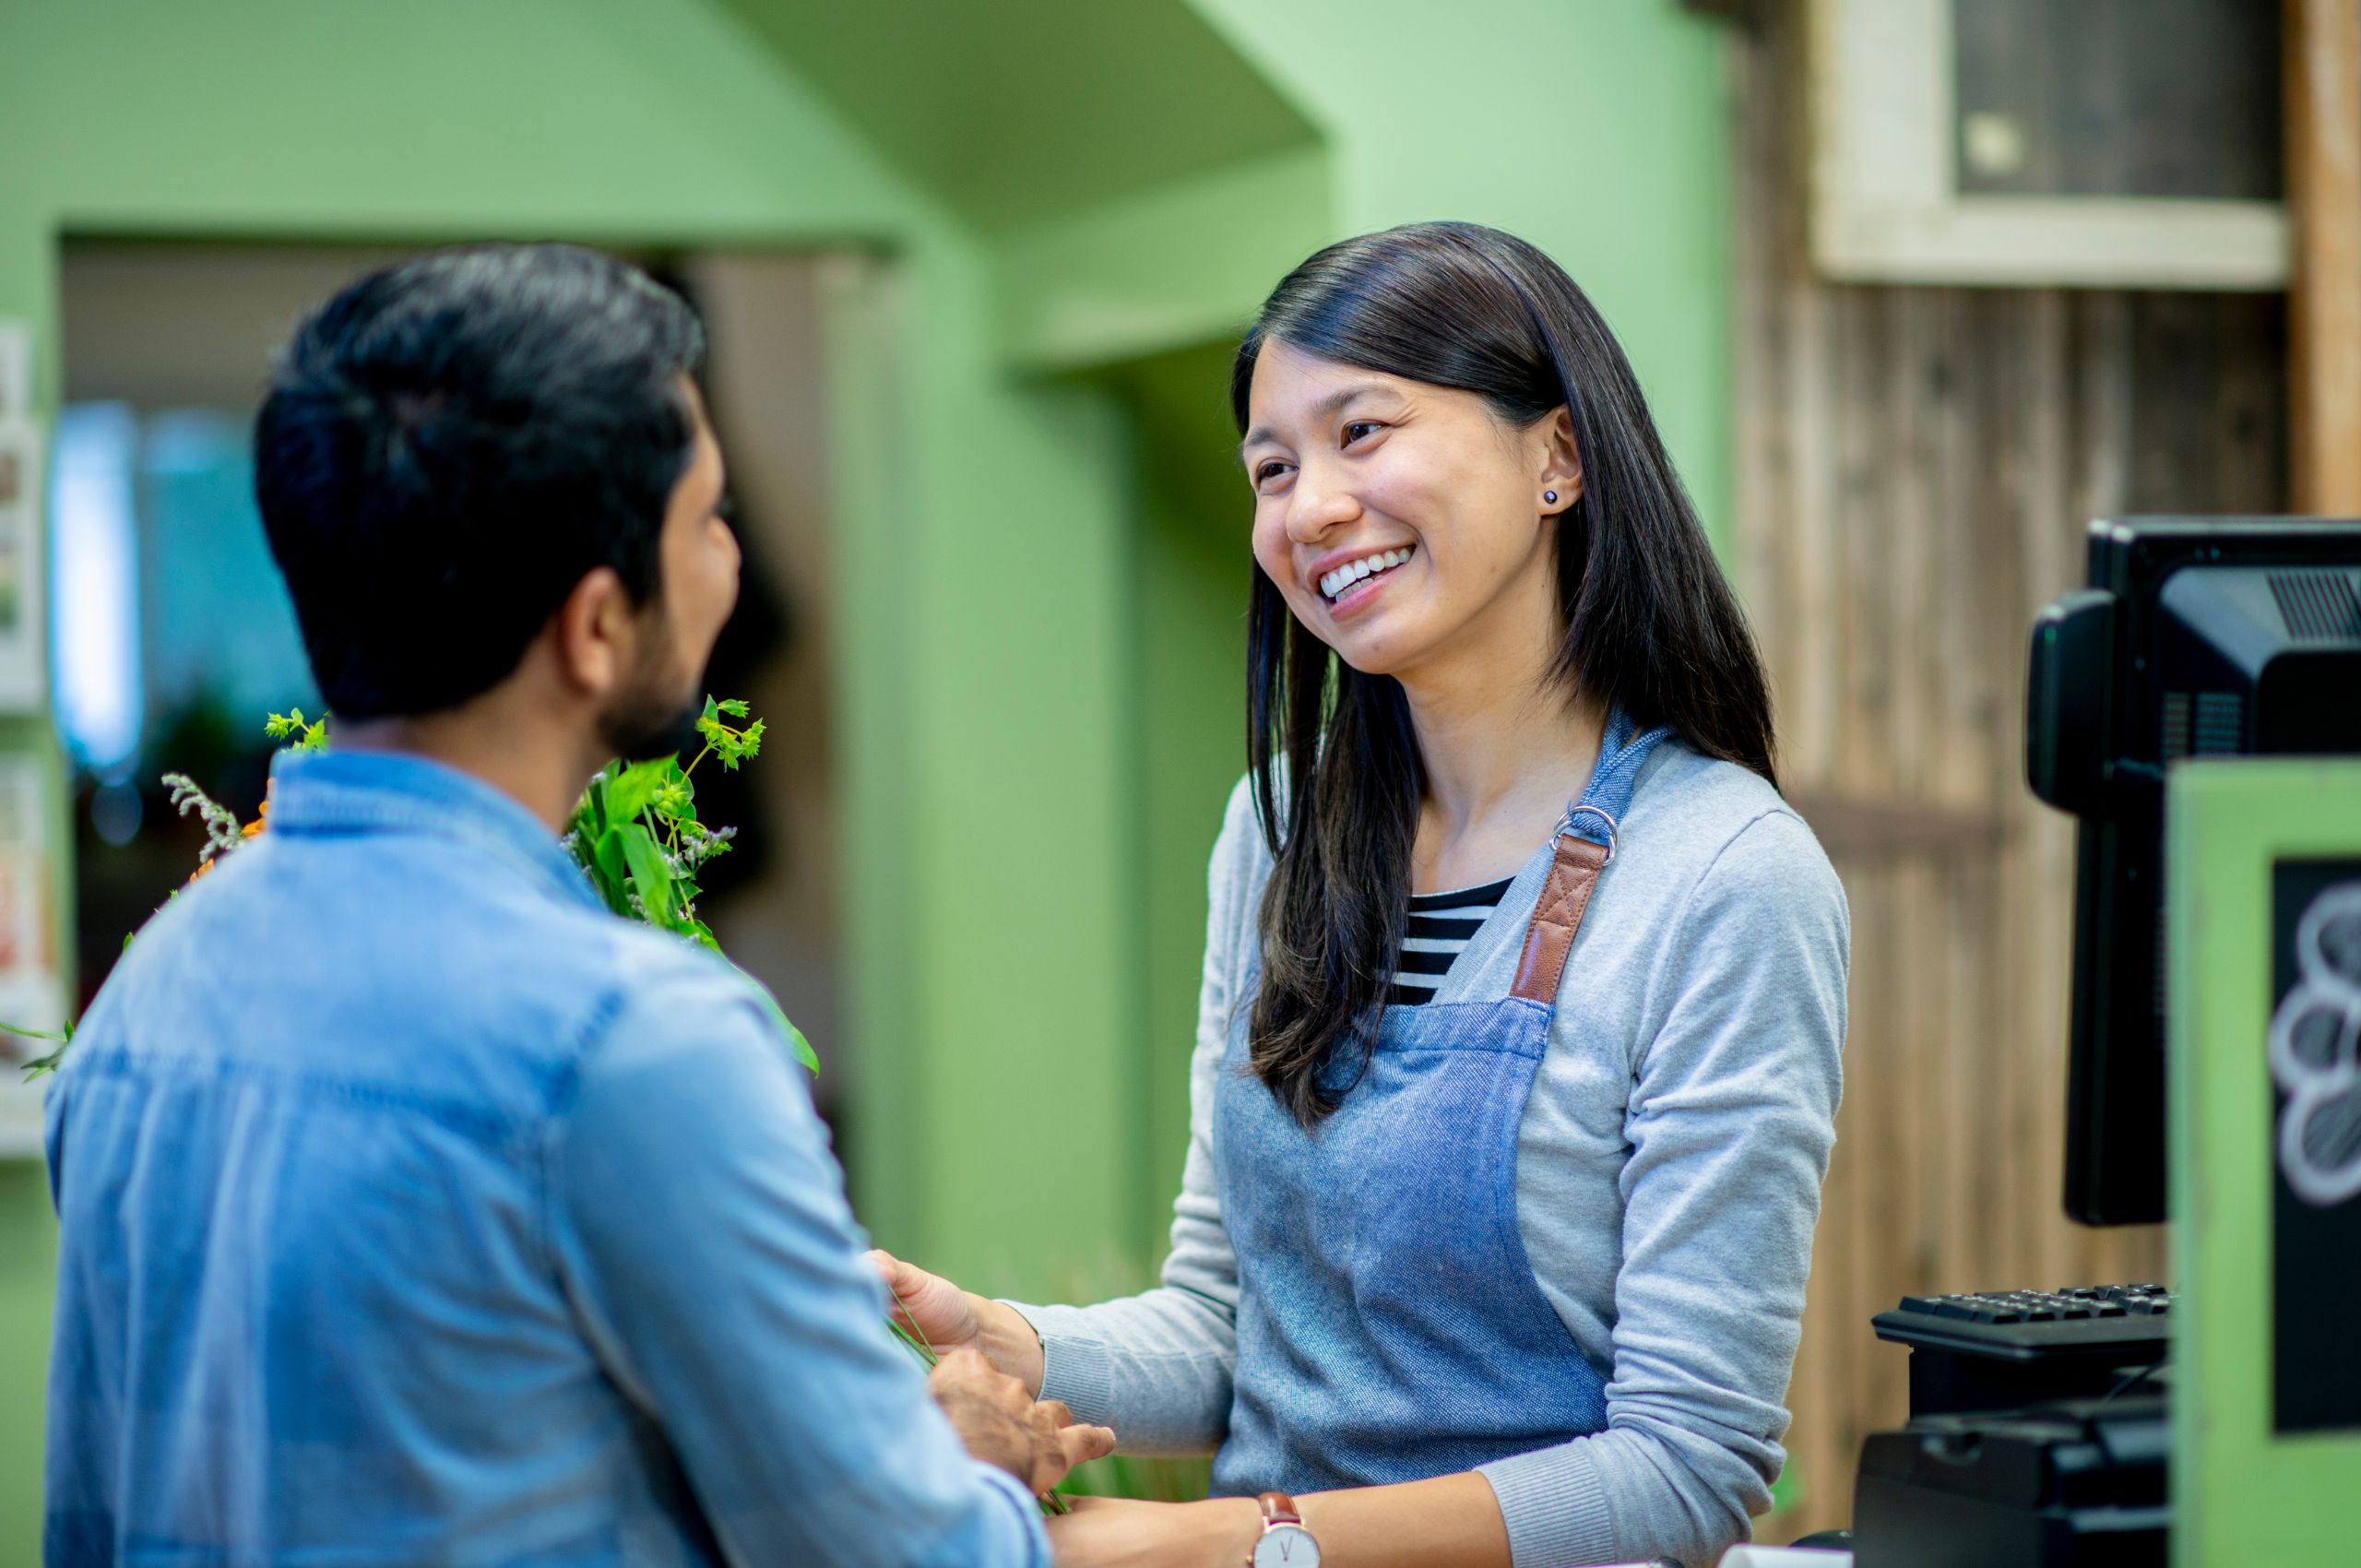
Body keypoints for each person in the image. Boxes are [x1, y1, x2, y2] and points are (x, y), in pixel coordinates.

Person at [41, 244, 1110, 1567]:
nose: (733, 565)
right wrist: (964, 1460)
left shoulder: (146, 994)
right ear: (596, 626)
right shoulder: (630, 1041)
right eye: (710, 519)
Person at [874, 222, 1848, 1568]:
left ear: (1556, 455)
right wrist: (1010, 1342)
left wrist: (1248, 1541)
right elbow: (1230, 1328)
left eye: (1364, 432)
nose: (1308, 506)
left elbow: (1687, 1471)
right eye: (1271, 469)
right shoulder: (1280, 835)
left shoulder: (1725, 877)